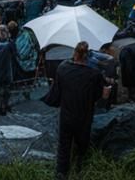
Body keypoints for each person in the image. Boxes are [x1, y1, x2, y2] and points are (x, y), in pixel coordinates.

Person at [49, 41, 109, 179]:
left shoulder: (63, 68)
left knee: (64, 146)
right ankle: (80, 171)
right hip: (84, 116)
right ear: (87, 56)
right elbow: (99, 97)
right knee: (82, 147)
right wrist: (104, 94)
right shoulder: (94, 74)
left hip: (66, 115)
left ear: (74, 54)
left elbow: (57, 90)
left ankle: (61, 174)